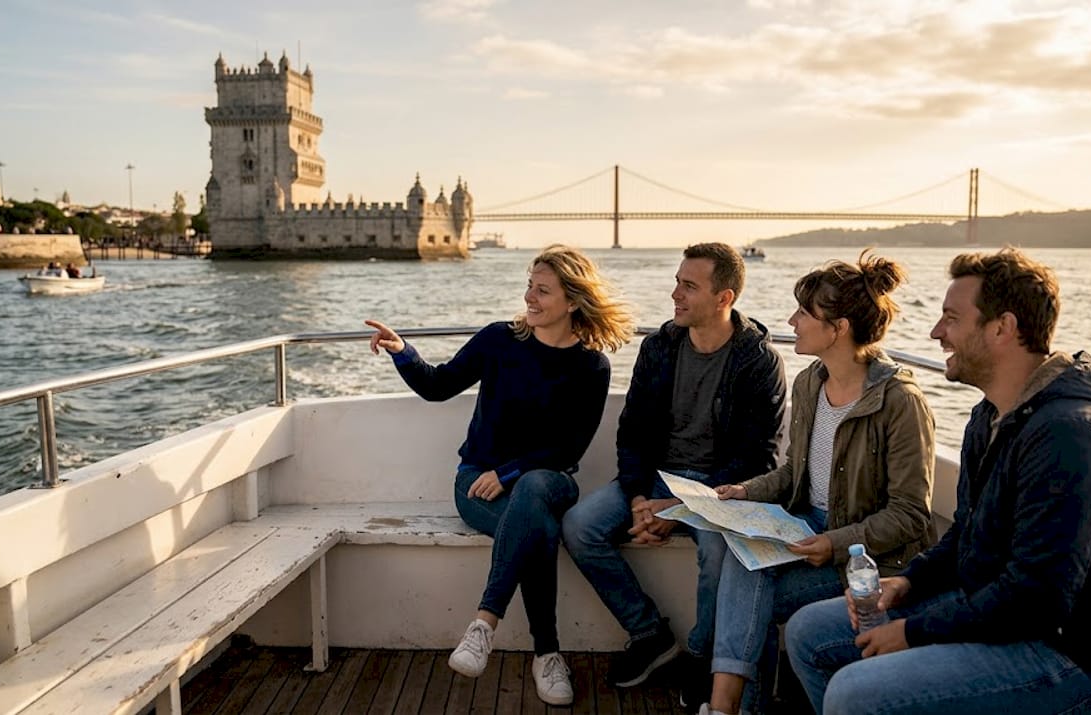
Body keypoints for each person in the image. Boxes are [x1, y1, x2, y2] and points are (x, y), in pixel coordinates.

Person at [785, 247, 1091, 715]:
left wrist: (913, 632)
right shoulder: (990, 415)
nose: (937, 332)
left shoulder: (1071, 435)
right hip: (987, 604)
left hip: (1068, 654)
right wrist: (907, 583)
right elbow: (965, 533)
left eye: (951, 319)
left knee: (854, 693)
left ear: (1003, 328)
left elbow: (1036, 599)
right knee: (808, 634)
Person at [365, 244, 635, 706]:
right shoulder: (499, 340)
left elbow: (567, 449)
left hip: (549, 480)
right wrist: (402, 351)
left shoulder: (591, 366)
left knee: (532, 491)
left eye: (543, 290)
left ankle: (483, 624)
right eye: (530, 286)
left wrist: (507, 472)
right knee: (539, 531)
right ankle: (547, 654)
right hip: (475, 484)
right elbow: (438, 385)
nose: (530, 297)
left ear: (572, 301)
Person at [701, 251, 937, 715]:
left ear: (839, 328)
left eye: (804, 313)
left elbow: (911, 515)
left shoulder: (899, 401)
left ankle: (726, 707)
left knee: (752, 597)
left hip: (867, 558)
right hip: (809, 531)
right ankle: (730, 708)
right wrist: (746, 491)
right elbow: (795, 473)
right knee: (740, 560)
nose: (792, 320)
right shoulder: (811, 382)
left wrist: (834, 541)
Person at [562, 242, 788, 693]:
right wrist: (640, 496)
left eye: (689, 286)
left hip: (720, 489)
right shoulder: (660, 347)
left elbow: (758, 459)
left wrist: (681, 509)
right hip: (657, 477)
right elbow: (634, 432)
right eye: (677, 282)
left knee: (719, 553)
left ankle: (702, 657)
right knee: (578, 526)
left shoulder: (758, 362)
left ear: (724, 298)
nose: (675, 294)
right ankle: (650, 634)